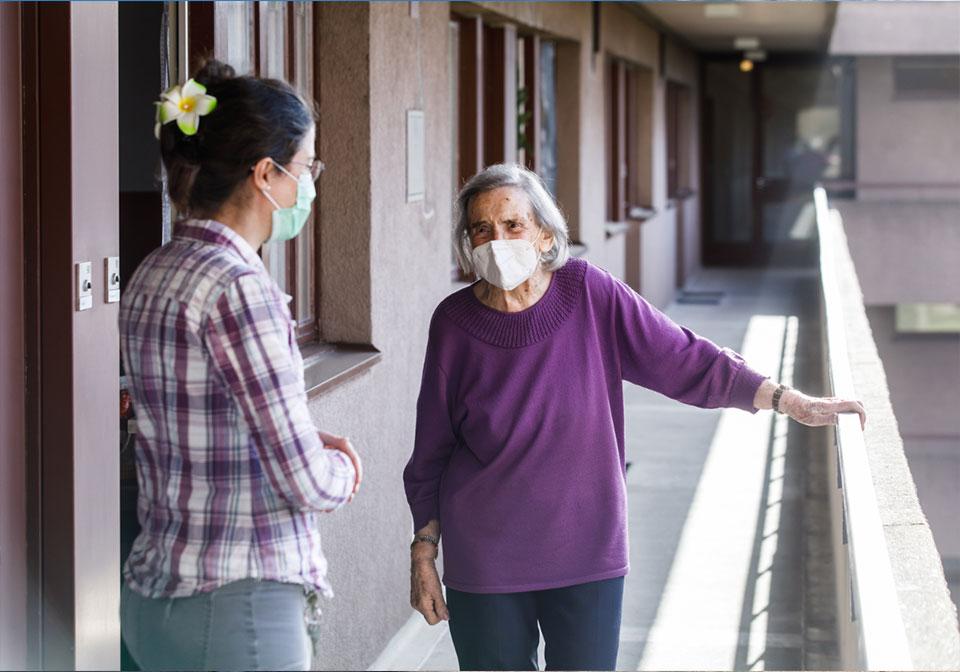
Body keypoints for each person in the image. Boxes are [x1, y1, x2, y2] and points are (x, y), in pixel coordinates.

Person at [403, 163, 865, 672]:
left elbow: (684, 358)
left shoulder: (589, 294)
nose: (497, 239)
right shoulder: (453, 323)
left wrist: (789, 400)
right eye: (481, 229)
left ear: (544, 234)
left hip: (587, 549)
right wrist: (424, 551)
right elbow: (432, 452)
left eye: (513, 225)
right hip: (485, 557)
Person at [119, 59, 361, 672]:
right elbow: (304, 481)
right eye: (305, 168)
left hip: (157, 592)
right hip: (239, 603)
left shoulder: (155, 271)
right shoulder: (239, 289)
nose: (308, 184)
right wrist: (342, 467)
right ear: (265, 174)